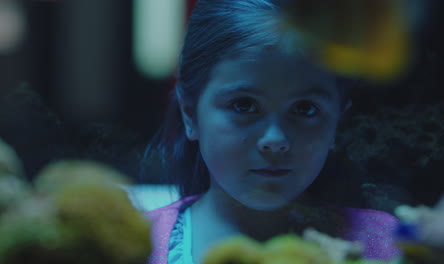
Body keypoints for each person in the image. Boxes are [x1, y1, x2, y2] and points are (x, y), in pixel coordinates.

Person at [143, 0, 401, 263]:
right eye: (244, 105)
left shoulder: (393, 246)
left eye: (305, 109)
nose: (275, 141)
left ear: (337, 119)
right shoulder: (132, 248)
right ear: (190, 114)